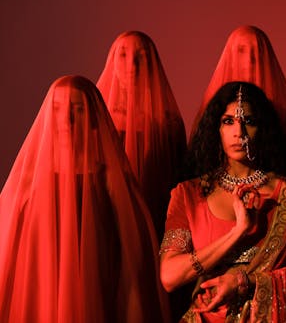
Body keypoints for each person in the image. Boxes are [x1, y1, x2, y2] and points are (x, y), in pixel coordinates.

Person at [0, 76, 170, 322]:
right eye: (58, 109)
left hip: (99, 294)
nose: (66, 120)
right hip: (42, 293)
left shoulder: (111, 179)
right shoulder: (30, 180)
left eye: (77, 110)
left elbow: (133, 256)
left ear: (92, 118)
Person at [160, 81, 286, 322]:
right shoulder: (188, 194)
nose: (238, 132)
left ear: (263, 129)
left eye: (248, 122)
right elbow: (169, 276)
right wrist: (237, 233)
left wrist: (244, 281)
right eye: (228, 121)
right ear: (216, 129)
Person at [97, 30, 187, 241]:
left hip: (155, 221)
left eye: (141, 56)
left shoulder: (168, 123)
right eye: (123, 55)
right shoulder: (99, 119)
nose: (132, 65)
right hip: (106, 218)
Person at [191, 25, 286, 176]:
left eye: (255, 53)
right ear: (230, 57)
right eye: (241, 51)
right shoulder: (212, 112)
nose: (248, 60)